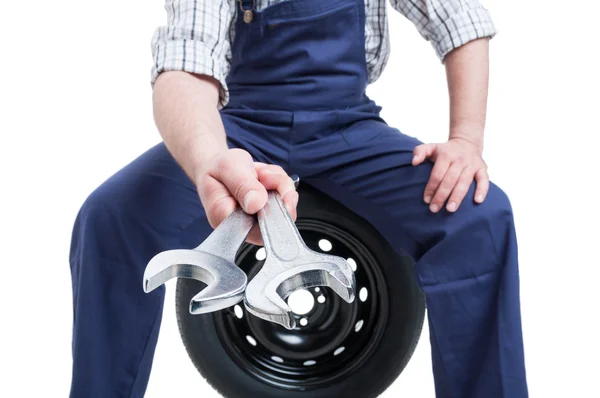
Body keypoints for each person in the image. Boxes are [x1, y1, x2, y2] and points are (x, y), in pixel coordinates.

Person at [68, 0, 528, 396]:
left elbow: (460, 21)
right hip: (236, 131)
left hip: (347, 128)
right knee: (111, 220)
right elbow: (184, 66)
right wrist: (211, 160)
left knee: (478, 218)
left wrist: (465, 140)